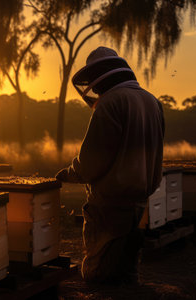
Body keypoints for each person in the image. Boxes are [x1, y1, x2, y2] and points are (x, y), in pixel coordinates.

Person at [55, 46, 165, 284]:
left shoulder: (111, 103)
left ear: (102, 76)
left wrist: (70, 173)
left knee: (99, 272)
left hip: (110, 203)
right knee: (127, 268)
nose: (92, 88)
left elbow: (93, 159)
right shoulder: (151, 101)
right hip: (141, 199)